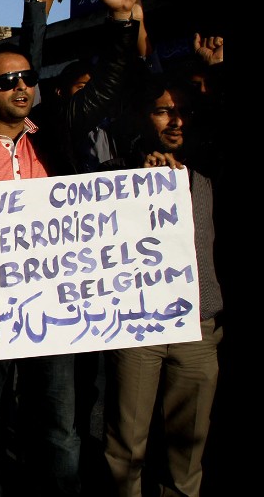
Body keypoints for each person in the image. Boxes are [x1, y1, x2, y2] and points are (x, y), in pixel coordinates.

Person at [0, 0, 148, 497]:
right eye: (6, 82)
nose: (21, 86)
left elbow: (109, 84)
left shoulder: (58, 131)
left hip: (56, 311)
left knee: (60, 428)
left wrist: (123, 20)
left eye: (27, 77)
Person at [99, 73, 224, 497]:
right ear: (143, 116)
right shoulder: (116, 172)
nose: (175, 121)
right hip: (139, 328)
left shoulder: (210, 171)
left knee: (188, 450)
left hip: (199, 327)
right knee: (125, 447)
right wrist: (137, 178)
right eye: (163, 110)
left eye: (184, 111)